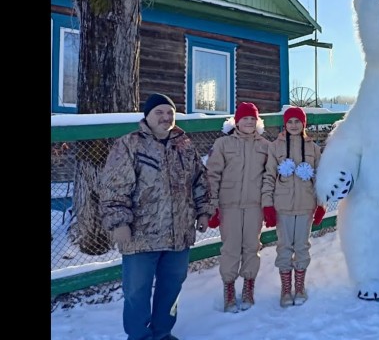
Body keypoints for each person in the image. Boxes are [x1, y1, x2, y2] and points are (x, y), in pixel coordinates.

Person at [99, 92, 211, 340]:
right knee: (137, 291)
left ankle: (162, 333)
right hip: (141, 236)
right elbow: (114, 187)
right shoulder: (129, 144)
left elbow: (200, 181)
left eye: (170, 112)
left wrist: (204, 212)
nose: (165, 117)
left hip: (178, 234)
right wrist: (119, 222)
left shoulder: (185, 145)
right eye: (159, 112)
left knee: (171, 287)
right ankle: (139, 336)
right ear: (147, 116)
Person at [205, 102, 270, 313]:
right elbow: (212, 175)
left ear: (257, 122)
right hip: (229, 205)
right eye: (245, 118)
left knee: (252, 246)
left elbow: (270, 176)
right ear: (236, 121)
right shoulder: (223, 144)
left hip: (254, 205)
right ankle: (229, 289)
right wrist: (212, 205)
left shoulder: (265, 145)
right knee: (231, 248)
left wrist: (269, 205)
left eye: (253, 119)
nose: (249, 122)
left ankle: (249, 286)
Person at [262, 106, 326, 307]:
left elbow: (320, 179)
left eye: (297, 121)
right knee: (284, 247)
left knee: (302, 246)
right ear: (285, 124)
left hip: (306, 205)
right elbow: (269, 176)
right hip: (283, 206)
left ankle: (299, 287)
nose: (293, 125)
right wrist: (268, 205)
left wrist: (321, 204)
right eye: (290, 122)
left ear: (304, 123)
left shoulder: (314, 149)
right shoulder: (275, 147)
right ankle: (285, 289)